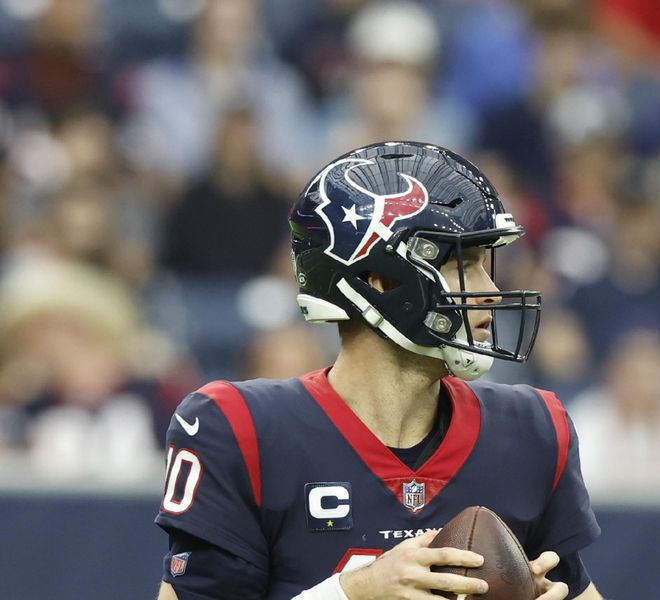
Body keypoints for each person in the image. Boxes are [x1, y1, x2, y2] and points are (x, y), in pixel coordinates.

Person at [154, 142, 603, 599]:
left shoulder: (531, 431)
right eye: (461, 265)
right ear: (380, 281)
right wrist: (354, 593)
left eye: (485, 265)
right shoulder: (240, 428)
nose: (489, 291)